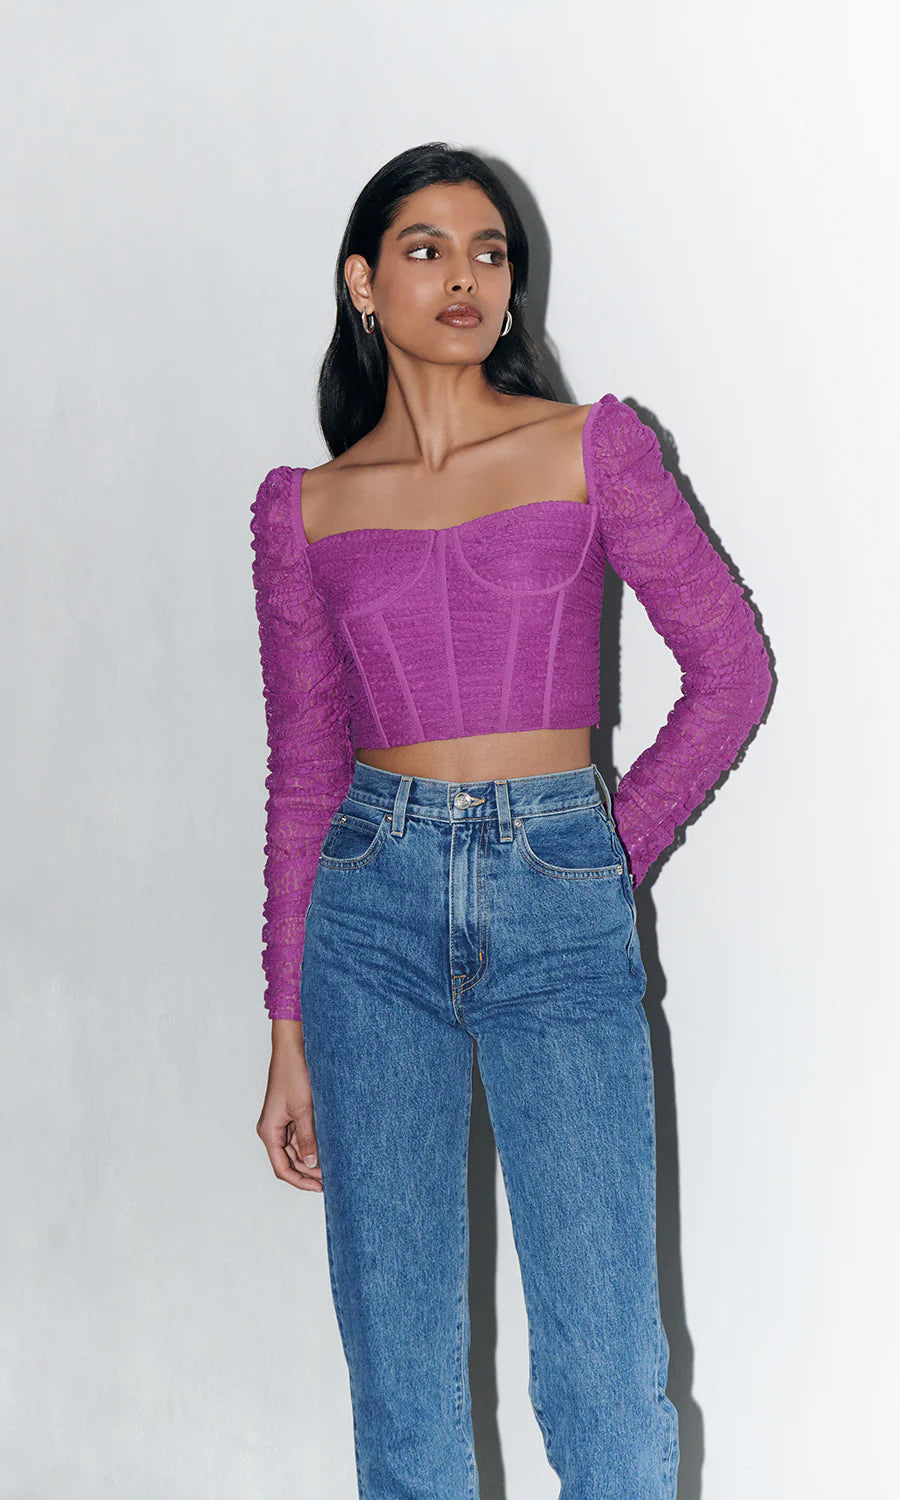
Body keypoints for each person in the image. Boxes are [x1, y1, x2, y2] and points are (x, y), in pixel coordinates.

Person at [249, 141, 772, 1500]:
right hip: (367, 922)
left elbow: (732, 671)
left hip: (560, 911)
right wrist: (286, 1030)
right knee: (401, 1377)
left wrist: (600, 853)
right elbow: (304, 768)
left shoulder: (589, 447)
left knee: (604, 1373)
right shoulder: (306, 508)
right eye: (425, 249)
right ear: (363, 283)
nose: (465, 277)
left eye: (490, 252)